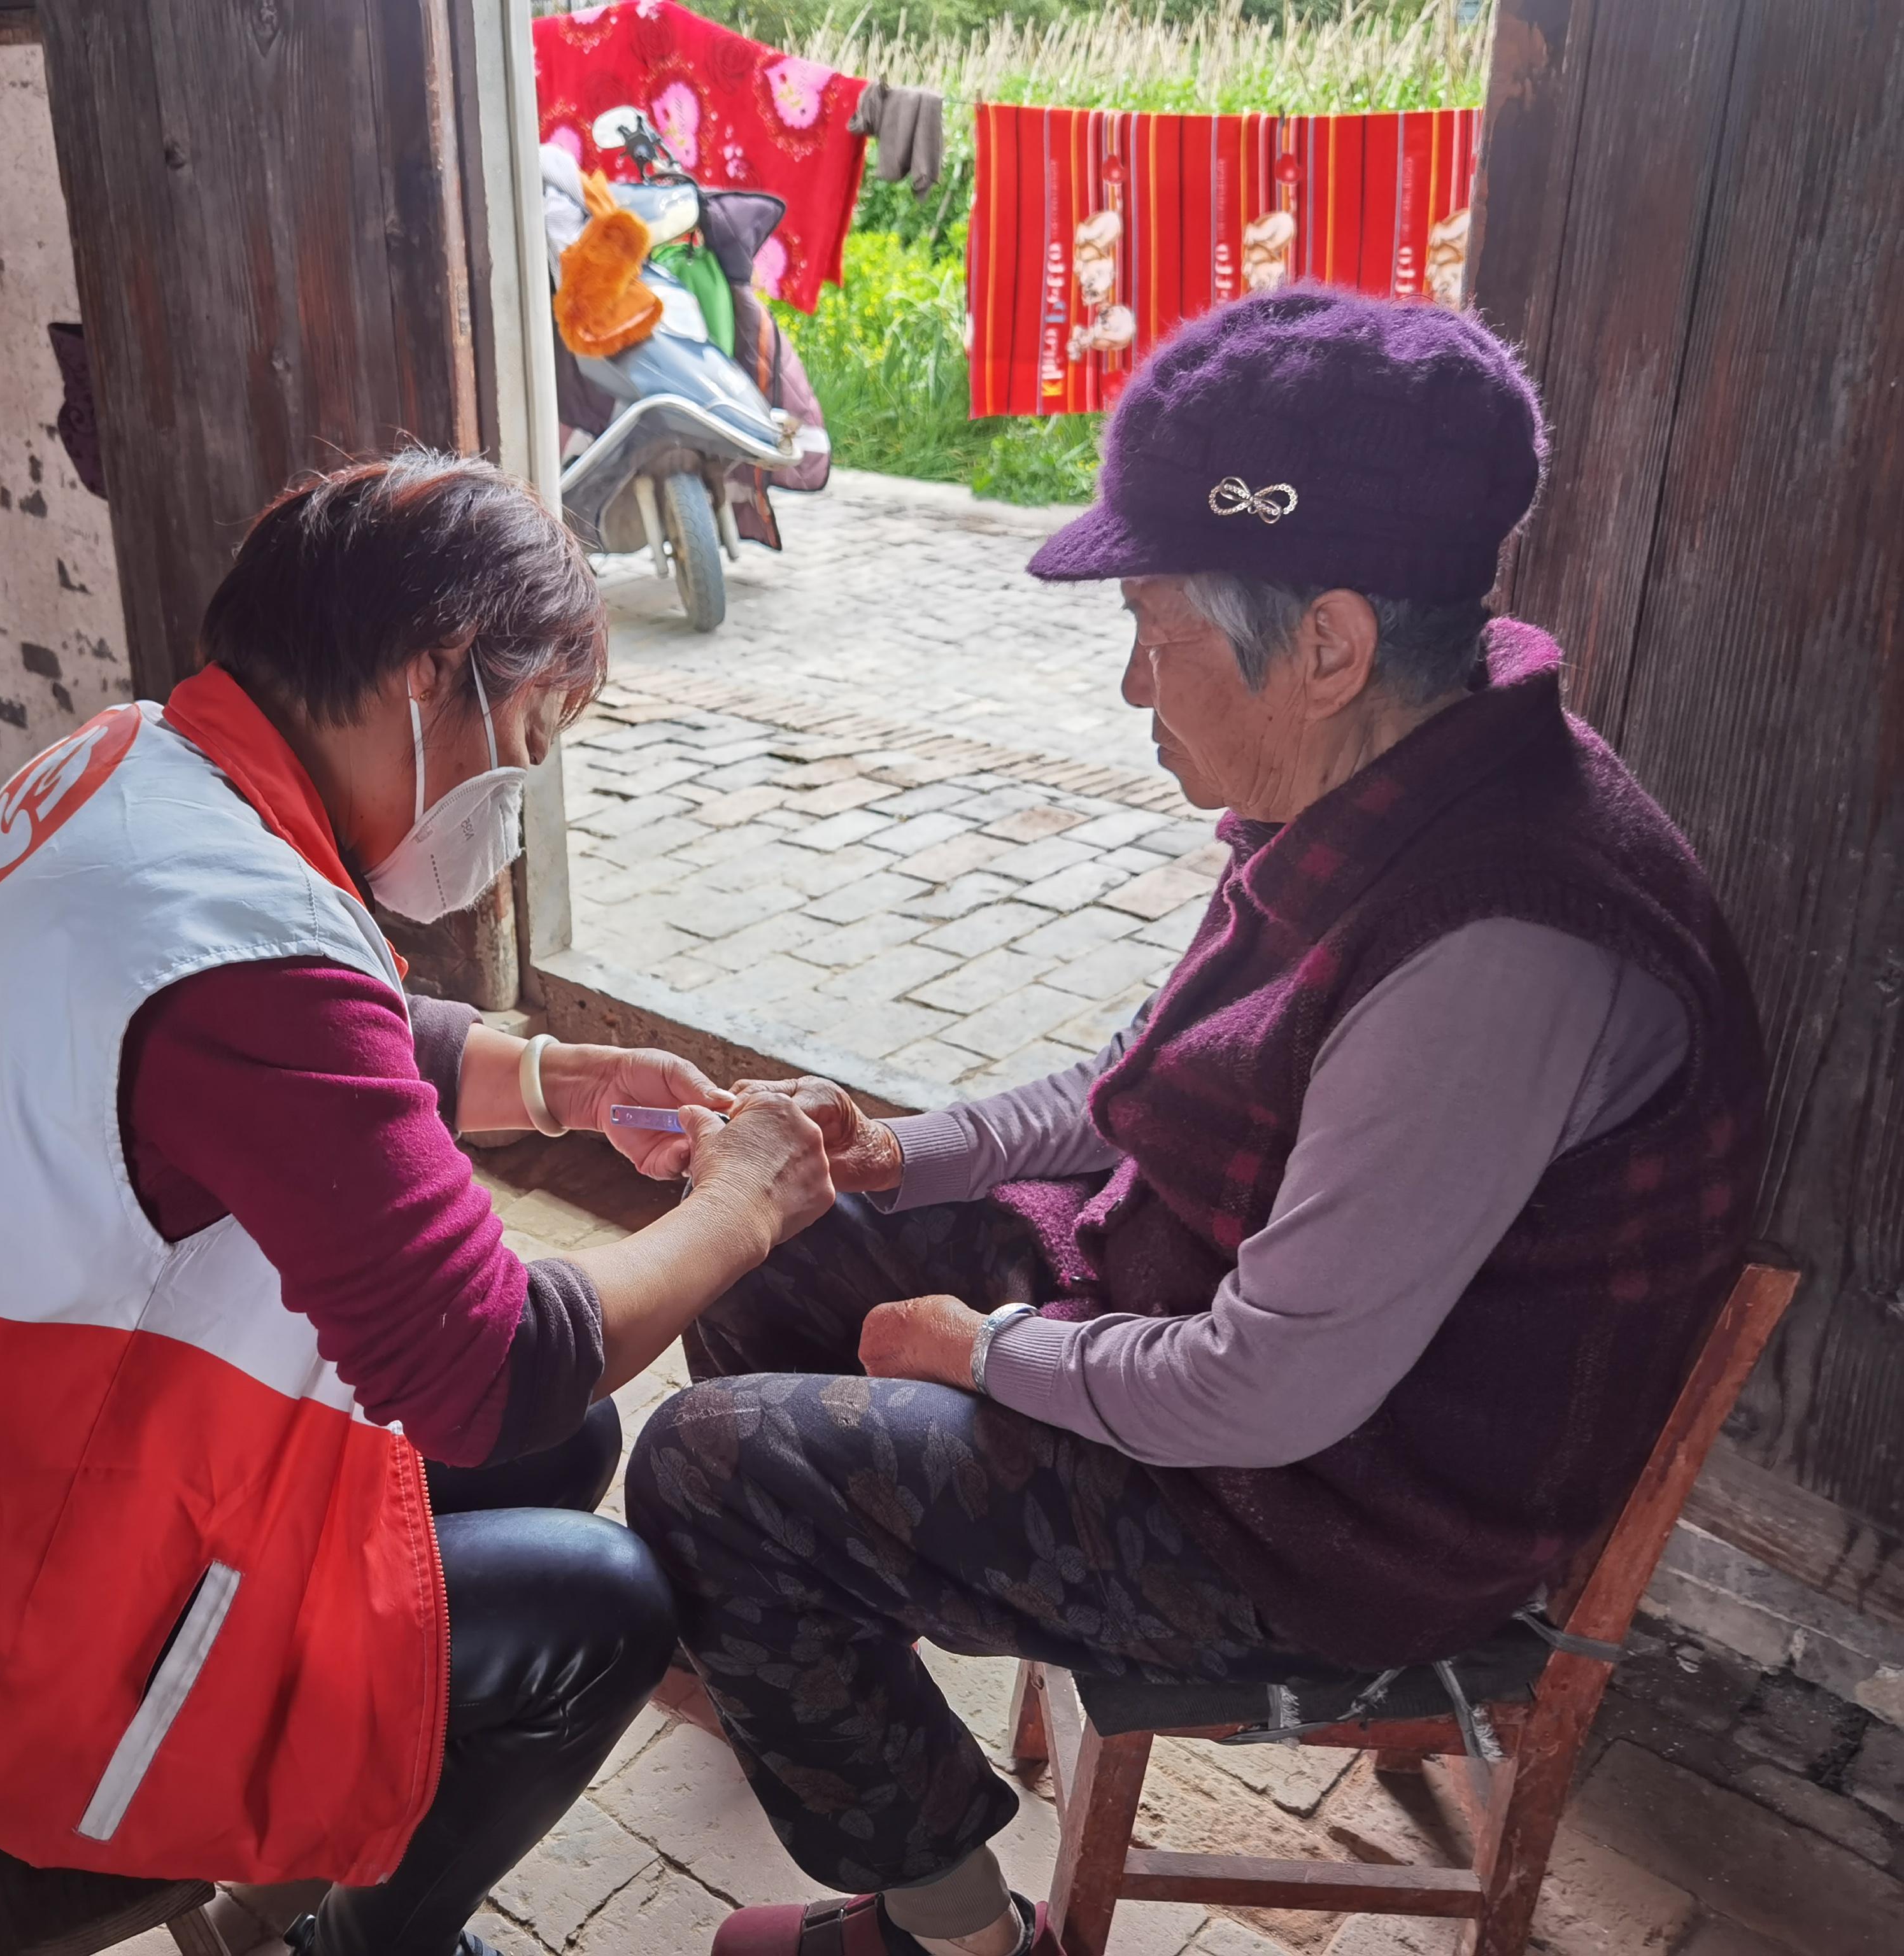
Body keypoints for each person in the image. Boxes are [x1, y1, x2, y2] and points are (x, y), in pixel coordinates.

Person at [623, 289, 1767, 1956]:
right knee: (771, 1227)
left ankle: (945, 1923)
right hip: (1210, 1326)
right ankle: (819, 1681)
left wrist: (987, 1352)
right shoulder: (1386, 769)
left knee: (716, 1470)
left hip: (1334, 1516)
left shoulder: (1499, 942)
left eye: (1155, 631)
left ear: (1327, 645)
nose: (1128, 685)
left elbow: (1268, 1387)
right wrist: (891, 1149)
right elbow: (1142, 1077)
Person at [0, 452, 837, 1956]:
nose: (517, 794)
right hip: (3, 1647)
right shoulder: (244, 930)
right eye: (523, 735)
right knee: (596, 1601)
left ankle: (325, 1841)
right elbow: (481, 1364)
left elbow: (296, 1069)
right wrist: (745, 1208)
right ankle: (350, 1945)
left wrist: (551, 1074)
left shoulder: (127, 771)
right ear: (429, 673)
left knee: (570, 1437)